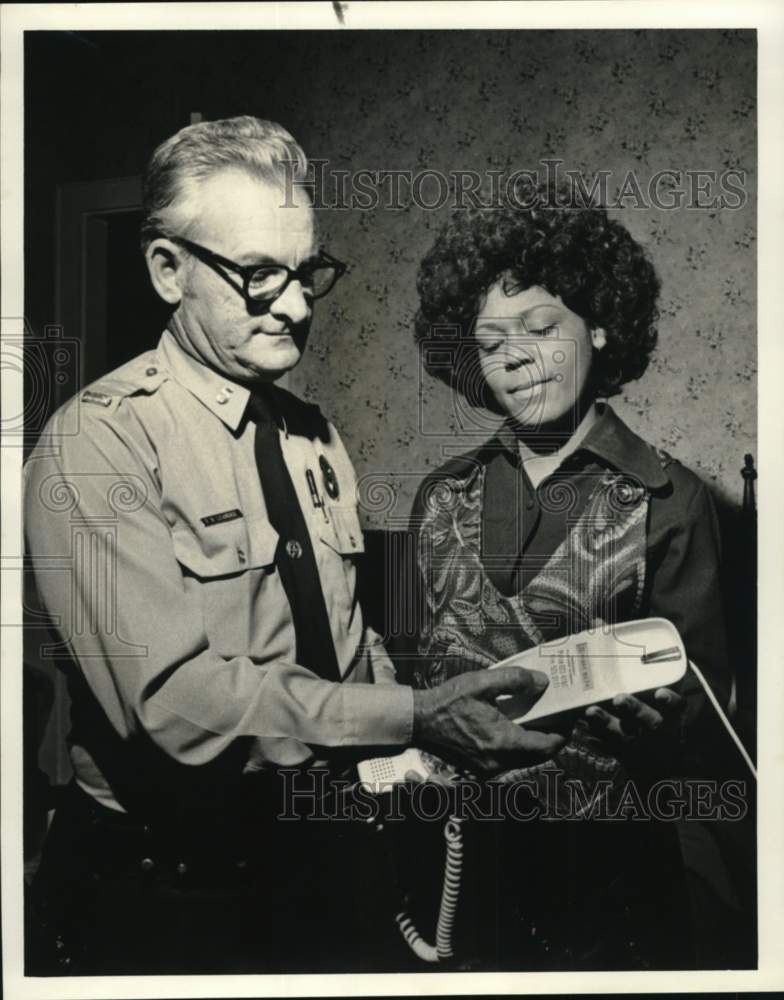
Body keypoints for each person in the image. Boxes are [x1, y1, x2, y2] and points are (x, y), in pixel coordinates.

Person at [23, 117, 565, 975]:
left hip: (323, 860)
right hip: (171, 899)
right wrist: (415, 716)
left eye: (307, 271)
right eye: (259, 275)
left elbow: (346, 634)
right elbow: (177, 709)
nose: (300, 304)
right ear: (168, 270)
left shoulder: (313, 435)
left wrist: (409, 733)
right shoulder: (97, 446)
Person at [408, 177, 735, 969]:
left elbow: (707, 715)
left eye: (540, 327)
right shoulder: (440, 496)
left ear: (598, 327)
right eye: (490, 343)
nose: (514, 356)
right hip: (463, 864)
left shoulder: (671, 499)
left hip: (613, 874)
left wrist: (659, 730)